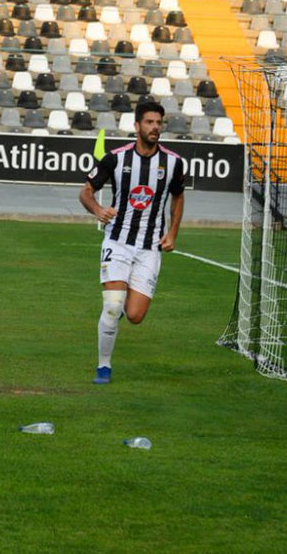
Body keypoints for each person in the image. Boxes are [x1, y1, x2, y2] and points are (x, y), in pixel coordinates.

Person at [79, 101, 185, 384]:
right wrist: (99, 211)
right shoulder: (115, 158)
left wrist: (172, 232)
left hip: (149, 247)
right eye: (149, 122)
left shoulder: (173, 162)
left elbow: (178, 196)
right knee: (113, 306)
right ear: (137, 126)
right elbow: (86, 192)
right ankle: (103, 366)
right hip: (117, 241)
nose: (155, 128)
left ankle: (117, 311)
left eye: (158, 123)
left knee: (135, 315)